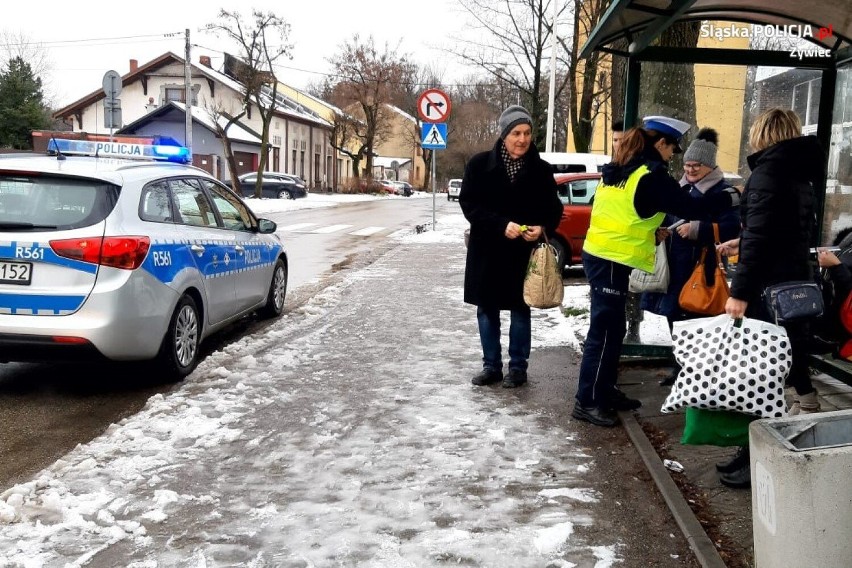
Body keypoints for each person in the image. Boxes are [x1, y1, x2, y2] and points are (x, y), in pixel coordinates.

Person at [572, 116, 741, 428]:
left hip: (604, 256)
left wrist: (651, 232)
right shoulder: (651, 174)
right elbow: (692, 208)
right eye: (672, 149)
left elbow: (622, 213)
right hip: (609, 260)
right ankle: (588, 400)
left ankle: (605, 390)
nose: (672, 155)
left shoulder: (624, 167)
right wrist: (732, 197)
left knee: (612, 330)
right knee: (604, 331)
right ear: (660, 143)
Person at [720, 107, 826, 489]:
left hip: (768, 289)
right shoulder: (798, 173)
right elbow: (783, 231)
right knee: (782, 367)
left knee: (762, 376)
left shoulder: (767, 173)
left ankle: (755, 460)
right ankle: (798, 411)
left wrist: (740, 293)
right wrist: (742, 240)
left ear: (762, 133)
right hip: (793, 284)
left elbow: (763, 239)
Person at [460, 105, 563, 389]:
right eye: (516, 132)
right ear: (504, 134)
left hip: (522, 254)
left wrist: (543, 228)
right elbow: (468, 204)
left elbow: (554, 209)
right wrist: (499, 223)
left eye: (527, 132)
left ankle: (518, 368)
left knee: (520, 310)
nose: (522, 139)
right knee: (487, 310)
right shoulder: (479, 165)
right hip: (487, 250)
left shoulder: (540, 170)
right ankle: (491, 366)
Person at [641, 128, 741, 386]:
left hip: (699, 267)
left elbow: (732, 228)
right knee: (675, 317)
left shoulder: (724, 192)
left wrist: (699, 229)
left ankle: (697, 371)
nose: (691, 170)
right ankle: (681, 368)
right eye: (687, 164)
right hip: (675, 265)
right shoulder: (679, 187)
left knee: (696, 319)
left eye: (697, 165)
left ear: (710, 166)